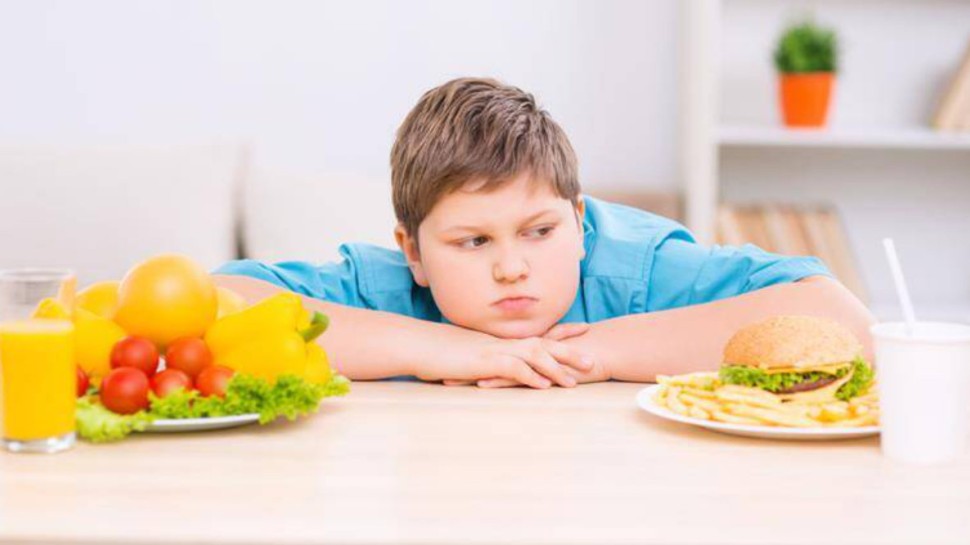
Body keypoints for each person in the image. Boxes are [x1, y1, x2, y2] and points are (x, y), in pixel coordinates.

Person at [214, 77, 874, 389]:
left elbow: (848, 324)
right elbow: (212, 304)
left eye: (539, 231)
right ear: (412, 252)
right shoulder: (385, 286)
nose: (512, 268)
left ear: (579, 224)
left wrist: (600, 351)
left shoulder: (631, 268)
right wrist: (437, 347)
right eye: (474, 242)